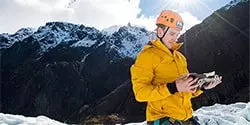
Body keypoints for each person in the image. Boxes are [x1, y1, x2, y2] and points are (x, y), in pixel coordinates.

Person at [130, 10, 222, 125]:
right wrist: (173, 87)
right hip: (161, 118)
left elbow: (185, 90)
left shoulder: (180, 58)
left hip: (184, 117)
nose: (175, 38)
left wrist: (202, 87)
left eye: (177, 34)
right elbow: (140, 93)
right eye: (172, 34)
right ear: (160, 31)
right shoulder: (147, 56)